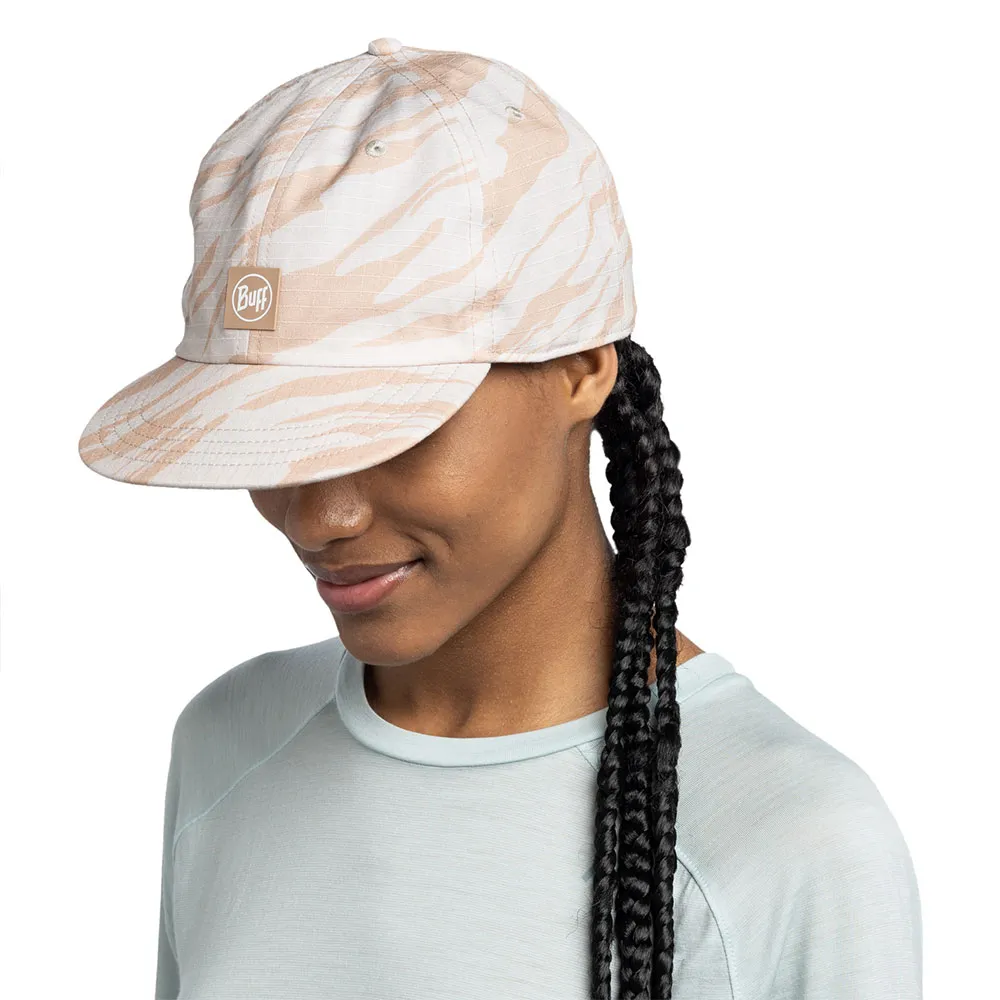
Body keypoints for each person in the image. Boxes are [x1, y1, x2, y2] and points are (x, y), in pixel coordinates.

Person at [77, 37, 922, 1000]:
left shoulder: (788, 842)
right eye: (276, 439)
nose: (320, 515)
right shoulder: (228, 743)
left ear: (581, 369)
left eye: (392, 430)